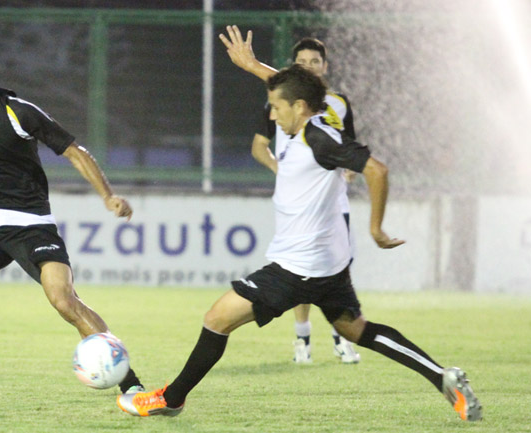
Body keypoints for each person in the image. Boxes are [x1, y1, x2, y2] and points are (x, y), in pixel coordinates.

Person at [116, 64, 482, 422]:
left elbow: (377, 170)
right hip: (326, 266)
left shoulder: (319, 138)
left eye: (277, 107)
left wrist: (376, 229)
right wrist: (252, 66)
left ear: (300, 107)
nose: (272, 115)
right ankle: (443, 377)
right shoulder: (305, 124)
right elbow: (292, 87)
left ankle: (170, 399)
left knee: (217, 319)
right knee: (356, 329)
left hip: (298, 268)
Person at [0, 37, 144, 397]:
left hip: (32, 223)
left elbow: (74, 151)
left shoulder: (18, 112)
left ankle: (132, 385)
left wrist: (108, 195)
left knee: (63, 300)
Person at [228, 28, 360, 364]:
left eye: (315, 61)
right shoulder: (280, 104)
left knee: (337, 270)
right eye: (302, 61)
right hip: (299, 202)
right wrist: (280, 169)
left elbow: (352, 150)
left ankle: (343, 338)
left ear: (325, 66)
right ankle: (303, 338)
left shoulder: (339, 104)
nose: (309, 66)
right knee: (300, 269)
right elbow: (259, 146)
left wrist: (349, 168)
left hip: (334, 200)